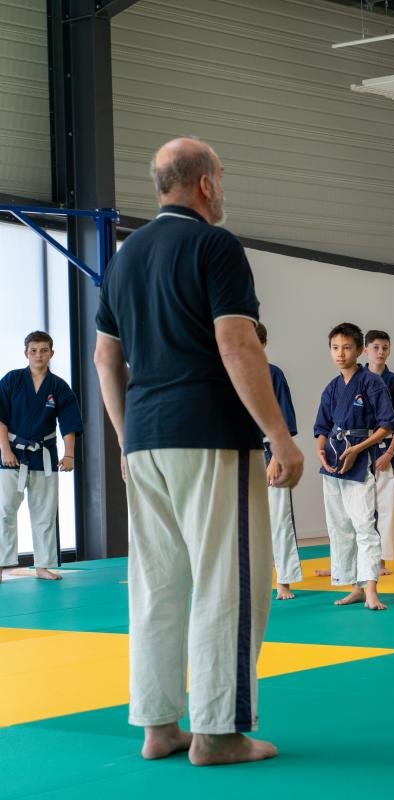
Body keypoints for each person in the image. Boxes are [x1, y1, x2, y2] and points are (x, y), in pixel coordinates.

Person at [93, 137, 303, 765]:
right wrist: (280, 435)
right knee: (226, 583)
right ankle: (218, 732)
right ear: (205, 183)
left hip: (145, 440)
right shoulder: (216, 245)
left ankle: (158, 727)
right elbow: (237, 344)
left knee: (155, 586)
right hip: (209, 434)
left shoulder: (124, 259)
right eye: (221, 176)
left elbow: (106, 358)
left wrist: (127, 438)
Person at [315, 323, 394, 610]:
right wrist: (320, 451)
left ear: (360, 350)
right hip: (333, 462)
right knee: (340, 526)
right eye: (335, 348)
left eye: (347, 347)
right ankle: (355, 588)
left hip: (360, 461)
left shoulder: (372, 383)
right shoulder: (332, 387)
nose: (340, 353)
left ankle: (371, 589)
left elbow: (387, 425)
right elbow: (322, 427)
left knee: (364, 524)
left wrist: (358, 449)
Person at [0, 331, 82, 582]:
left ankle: (43, 566)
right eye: (34, 351)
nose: (38, 355)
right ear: (26, 353)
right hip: (12, 454)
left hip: (44, 455)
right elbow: (1, 418)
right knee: (4, 511)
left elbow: (69, 423)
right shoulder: (12, 380)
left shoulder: (58, 386)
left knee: (45, 513)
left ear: (51, 353)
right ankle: (1, 566)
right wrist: (5, 450)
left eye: (44, 350)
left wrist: (69, 455)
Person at [255, 324, 302, 600]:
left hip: (269, 452)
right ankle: (249, 577)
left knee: (280, 519)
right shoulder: (229, 374)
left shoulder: (274, 374)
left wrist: (275, 457)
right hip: (239, 456)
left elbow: (285, 421)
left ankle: (284, 580)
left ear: (263, 343)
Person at [364, 330, 394, 572]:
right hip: (359, 450)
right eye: (375, 347)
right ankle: (356, 560)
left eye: (385, 348)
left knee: (387, 507)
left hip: (387, 450)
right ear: (365, 350)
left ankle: (381, 560)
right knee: (359, 508)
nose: (380, 352)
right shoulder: (356, 379)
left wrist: (390, 453)